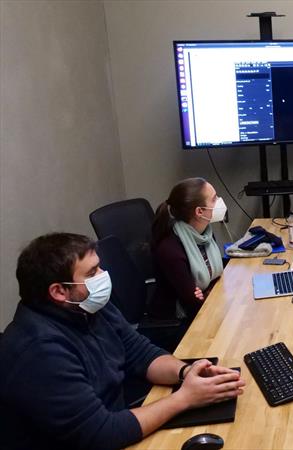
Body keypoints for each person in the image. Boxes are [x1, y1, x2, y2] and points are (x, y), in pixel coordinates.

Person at [0, 233, 245, 449]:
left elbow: (141, 354)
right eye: (92, 272)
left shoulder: (88, 308)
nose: (103, 275)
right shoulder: (40, 352)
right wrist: (185, 398)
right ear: (59, 291)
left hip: (115, 422)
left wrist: (186, 372)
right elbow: (101, 434)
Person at [150, 177, 226, 320]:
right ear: (199, 212)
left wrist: (207, 290)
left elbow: (216, 278)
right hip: (178, 320)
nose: (220, 202)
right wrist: (205, 292)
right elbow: (192, 301)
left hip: (206, 305)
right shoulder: (170, 249)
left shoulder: (205, 234)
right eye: (214, 199)